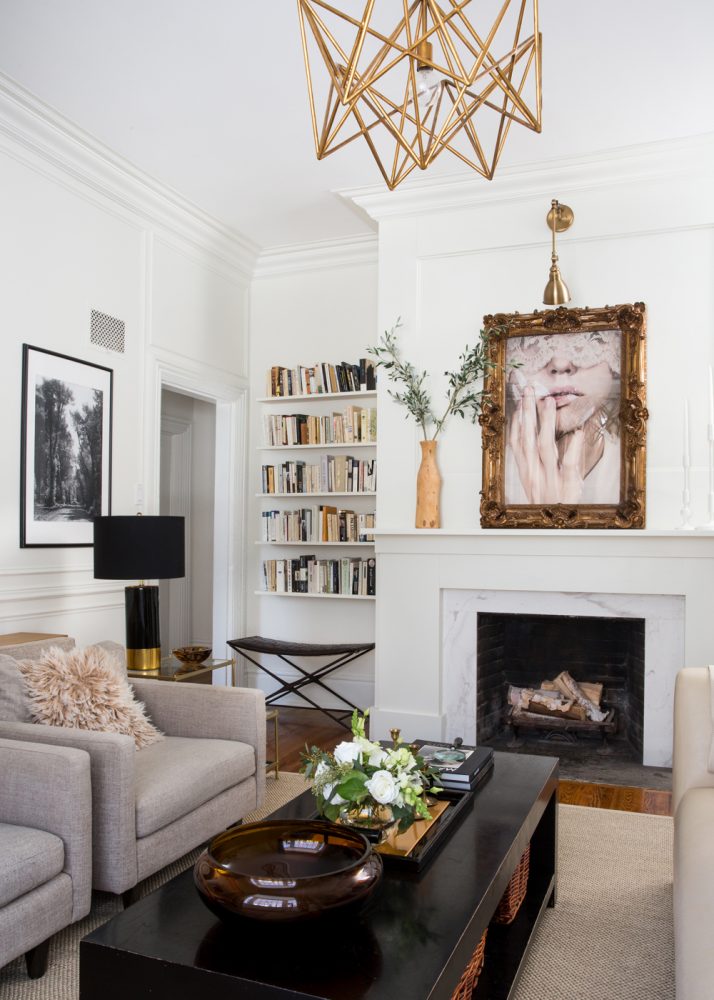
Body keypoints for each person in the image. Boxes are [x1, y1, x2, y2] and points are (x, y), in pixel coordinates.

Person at [504, 329, 621, 505]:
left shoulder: (636, 476)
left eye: (589, 337)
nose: (560, 364)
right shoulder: (493, 478)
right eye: (535, 342)